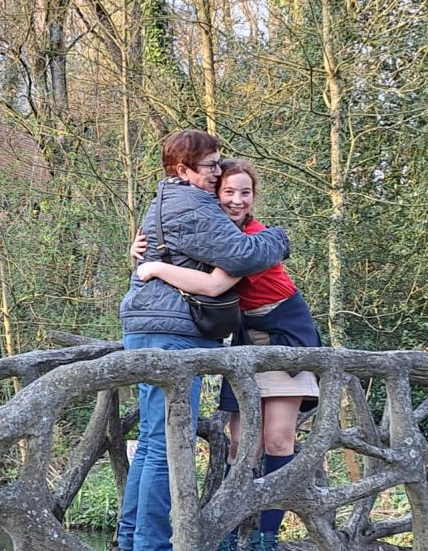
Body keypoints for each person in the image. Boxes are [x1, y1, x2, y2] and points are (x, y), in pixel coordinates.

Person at [132, 158, 320, 551]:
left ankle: (265, 536)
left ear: (254, 199)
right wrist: (138, 254)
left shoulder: (249, 240)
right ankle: (230, 532)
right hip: (244, 339)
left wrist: (152, 269)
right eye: (228, 192)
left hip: (283, 329)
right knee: (239, 446)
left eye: (245, 193)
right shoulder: (209, 231)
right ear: (214, 195)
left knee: (277, 439)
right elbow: (173, 250)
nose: (237, 200)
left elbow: (215, 286)